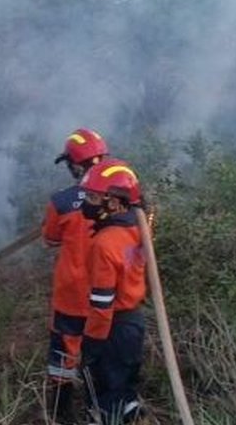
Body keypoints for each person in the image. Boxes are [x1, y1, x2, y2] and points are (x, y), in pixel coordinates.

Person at [42, 128, 109, 423]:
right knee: (101, 352)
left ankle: (60, 414)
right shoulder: (121, 197)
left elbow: (50, 238)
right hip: (107, 297)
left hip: (71, 295)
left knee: (63, 356)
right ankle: (100, 410)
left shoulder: (62, 201)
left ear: (76, 165)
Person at [80, 159, 147, 424]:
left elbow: (101, 303)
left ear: (115, 203)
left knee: (105, 398)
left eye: (94, 197)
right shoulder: (136, 228)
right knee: (124, 389)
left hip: (112, 329)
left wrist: (92, 343)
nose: (87, 202)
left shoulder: (105, 244)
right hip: (133, 325)